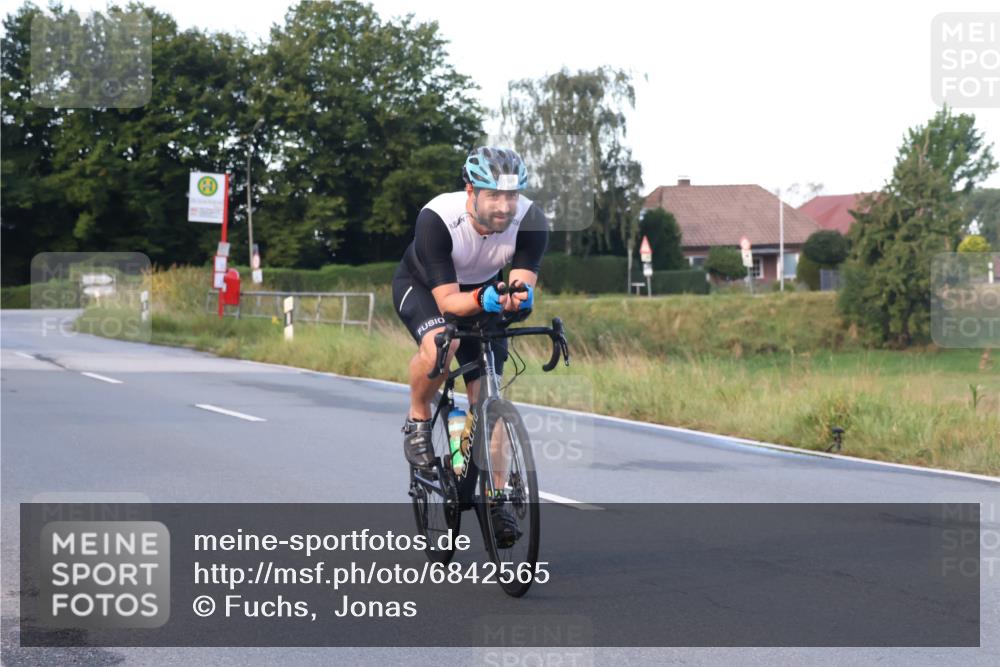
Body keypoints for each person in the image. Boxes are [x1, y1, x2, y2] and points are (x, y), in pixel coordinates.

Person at [392, 147, 549, 544]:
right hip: (426, 289)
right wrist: (484, 298)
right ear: (471, 191)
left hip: (484, 293)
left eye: (511, 195)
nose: (504, 206)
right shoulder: (437, 219)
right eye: (494, 195)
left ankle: (497, 498)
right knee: (440, 349)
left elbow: (521, 288)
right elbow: (448, 304)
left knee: (489, 398)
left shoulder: (531, 220)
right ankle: (418, 417)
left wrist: (518, 299)